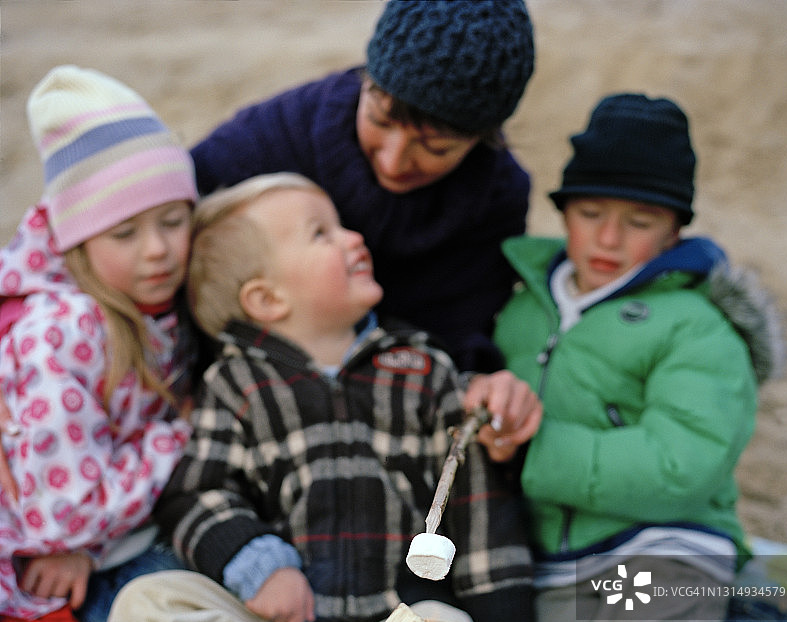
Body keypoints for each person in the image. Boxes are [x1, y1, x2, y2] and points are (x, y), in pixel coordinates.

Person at [108, 173, 536, 622]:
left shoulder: (420, 370)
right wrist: (253, 560)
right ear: (267, 299)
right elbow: (194, 493)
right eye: (321, 234)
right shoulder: (238, 382)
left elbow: (475, 499)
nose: (353, 237)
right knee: (143, 607)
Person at [492, 93, 787, 622]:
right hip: (576, 567)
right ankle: (741, 619)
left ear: (673, 232)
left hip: (664, 547)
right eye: (590, 213)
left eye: (638, 220)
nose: (607, 237)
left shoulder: (693, 326)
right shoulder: (519, 313)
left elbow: (680, 461)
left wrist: (534, 450)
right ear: (563, 214)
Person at [189, 0, 540, 456]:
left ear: (482, 139)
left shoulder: (495, 195)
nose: (394, 160)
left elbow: (460, 333)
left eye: (435, 147)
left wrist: (481, 390)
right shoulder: (271, 138)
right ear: (367, 80)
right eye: (379, 120)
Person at [0, 65, 198, 622]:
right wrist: (180, 431)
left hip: (77, 532)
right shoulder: (66, 330)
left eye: (174, 221)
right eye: (125, 233)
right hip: (31, 546)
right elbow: (66, 511)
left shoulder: (145, 303)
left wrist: (82, 542)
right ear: (76, 239)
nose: (158, 252)